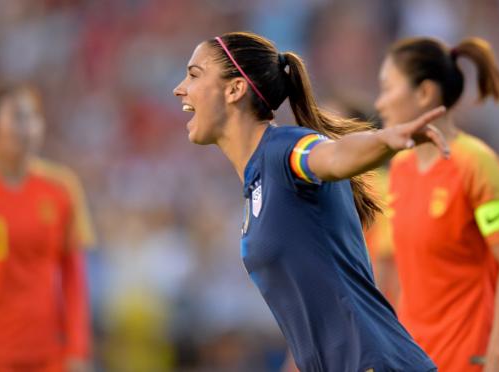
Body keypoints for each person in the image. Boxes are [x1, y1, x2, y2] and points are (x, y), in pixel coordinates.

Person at [173, 31, 448, 372]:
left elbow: (332, 157)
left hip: (374, 362)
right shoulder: (257, 180)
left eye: (194, 74)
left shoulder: (284, 149)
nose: (180, 88)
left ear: (234, 89)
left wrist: (387, 139)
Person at [374, 37, 499, 372]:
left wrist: (498, 353)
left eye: (388, 89)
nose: (380, 103)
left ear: (425, 93)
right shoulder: (400, 169)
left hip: (470, 360)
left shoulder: (478, 165)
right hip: (414, 360)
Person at [0, 85, 95, 372]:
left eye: (34, 117)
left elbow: (74, 280)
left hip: (48, 353)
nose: (29, 127)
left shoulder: (62, 188)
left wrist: (77, 348)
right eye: (18, 117)